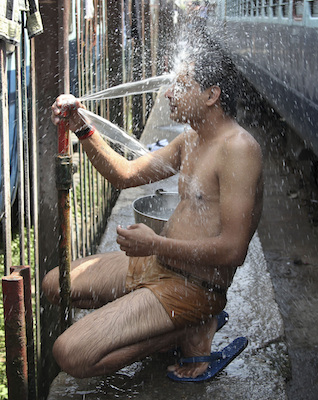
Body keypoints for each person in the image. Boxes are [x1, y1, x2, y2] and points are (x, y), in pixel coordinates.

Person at [44, 42, 263, 382]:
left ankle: (188, 330)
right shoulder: (192, 138)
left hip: (194, 285)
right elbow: (125, 174)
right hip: (158, 264)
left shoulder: (239, 150)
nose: (168, 93)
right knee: (56, 284)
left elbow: (234, 250)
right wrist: (81, 126)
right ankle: (171, 324)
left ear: (211, 95)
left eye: (180, 85)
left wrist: (156, 244)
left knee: (71, 355)